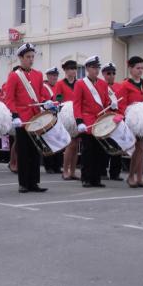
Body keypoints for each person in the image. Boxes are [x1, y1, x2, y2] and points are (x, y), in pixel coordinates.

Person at [5, 43, 52, 193]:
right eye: (28, 57)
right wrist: (15, 115)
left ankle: (34, 182)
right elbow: (10, 99)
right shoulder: (14, 76)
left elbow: (40, 94)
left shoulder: (38, 75)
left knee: (35, 151)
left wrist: (46, 101)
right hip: (23, 120)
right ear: (20, 58)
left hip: (36, 118)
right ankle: (23, 183)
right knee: (24, 152)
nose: (31, 60)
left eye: (32, 57)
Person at [74, 56, 113, 188]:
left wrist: (111, 104)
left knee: (100, 151)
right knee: (88, 152)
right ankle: (86, 178)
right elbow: (77, 104)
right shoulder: (80, 84)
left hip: (100, 121)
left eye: (97, 67)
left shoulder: (102, 84)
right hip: (87, 122)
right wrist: (79, 121)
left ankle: (96, 178)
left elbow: (106, 101)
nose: (96, 70)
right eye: (93, 67)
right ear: (87, 68)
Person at [118, 56, 143, 188]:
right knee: (139, 148)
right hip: (133, 120)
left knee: (141, 149)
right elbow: (122, 104)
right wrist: (125, 119)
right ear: (130, 68)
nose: (140, 70)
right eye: (138, 68)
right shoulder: (125, 85)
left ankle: (139, 178)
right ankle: (131, 176)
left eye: (142, 68)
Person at [54, 60, 80, 180]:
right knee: (70, 144)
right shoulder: (60, 84)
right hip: (66, 116)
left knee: (76, 145)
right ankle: (65, 170)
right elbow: (57, 100)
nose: (73, 71)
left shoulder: (79, 83)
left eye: (74, 68)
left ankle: (73, 171)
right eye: (70, 69)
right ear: (65, 70)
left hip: (77, 116)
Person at [101, 62, 123, 181]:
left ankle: (115, 172)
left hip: (117, 119)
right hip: (105, 120)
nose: (111, 75)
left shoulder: (120, 87)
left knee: (117, 146)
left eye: (113, 73)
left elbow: (123, 103)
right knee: (105, 147)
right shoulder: (99, 86)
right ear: (104, 74)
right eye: (109, 73)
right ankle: (102, 171)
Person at [41, 66, 62, 174]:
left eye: (56, 75)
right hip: (47, 117)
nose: (54, 77)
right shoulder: (44, 87)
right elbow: (41, 101)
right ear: (48, 76)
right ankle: (48, 166)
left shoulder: (58, 86)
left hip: (57, 117)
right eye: (52, 75)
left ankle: (57, 166)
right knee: (48, 143)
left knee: (57, 142)